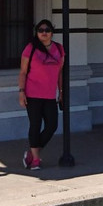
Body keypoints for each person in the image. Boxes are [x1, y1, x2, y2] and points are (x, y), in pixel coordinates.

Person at [18, 19, 64, 170]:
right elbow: (23, 72)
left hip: (50, 95)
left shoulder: (59, 49)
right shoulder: (30, 48)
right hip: (32, 94)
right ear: (36, 32)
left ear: (52, 32)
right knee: (35, 125)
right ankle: (36, 160)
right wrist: (21, 92)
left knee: (52, 126)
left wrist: (61, 91)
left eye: (47, 30)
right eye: (40, 30)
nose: (44, 33)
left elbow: (59, 73)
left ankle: (32, 153)